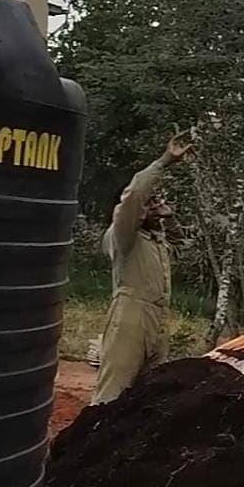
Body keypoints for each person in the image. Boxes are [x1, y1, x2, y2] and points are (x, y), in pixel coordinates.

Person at [90, 133, 195, 406]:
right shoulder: (124, 237)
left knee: (148, 398)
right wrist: (165, 161)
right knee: (112, 396)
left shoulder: (155, 241)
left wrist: (168, 217)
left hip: (158, 320)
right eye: (151, 203)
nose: (155, 205)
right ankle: (96, 433)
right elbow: (135, 195)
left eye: (157, 201)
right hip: (130, 318)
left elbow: (181, 247)